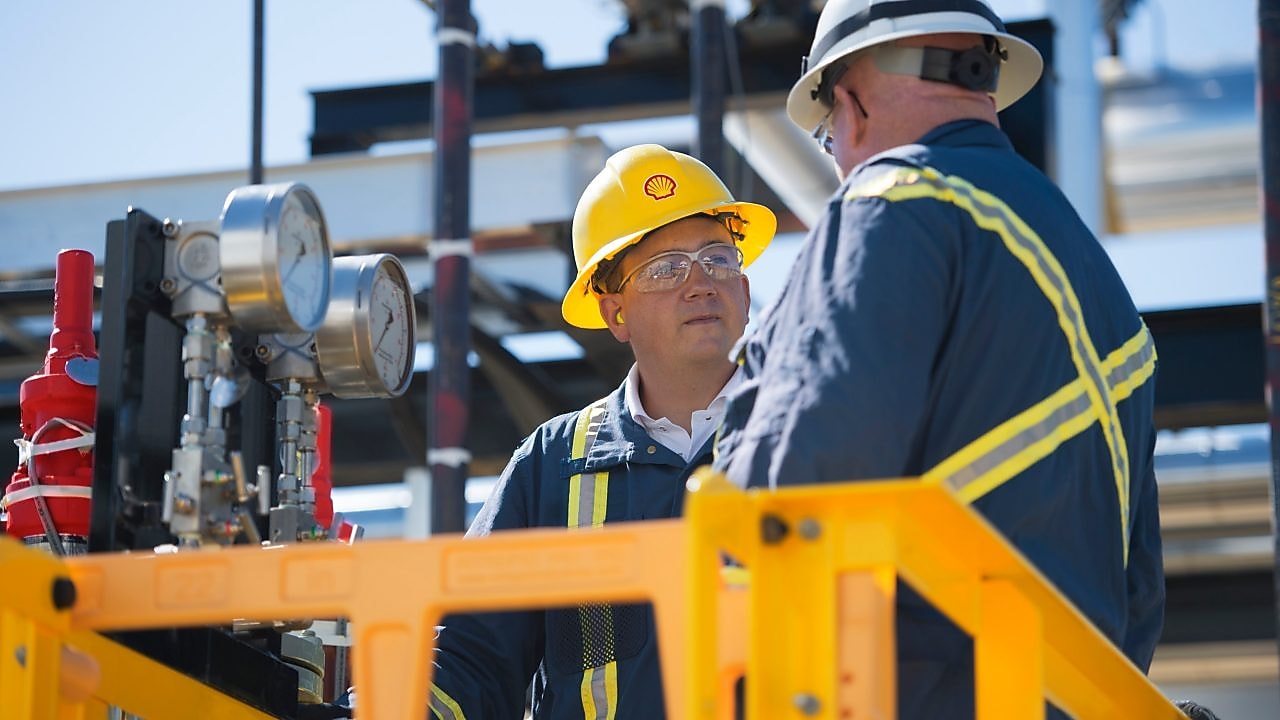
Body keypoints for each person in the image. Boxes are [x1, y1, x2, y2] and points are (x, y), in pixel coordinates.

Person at [713, 1, 1164, 718]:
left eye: (828, 137)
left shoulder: (890, 204)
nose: (839, 157)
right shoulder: (1098, 283)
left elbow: (795, 491)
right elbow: (1137, 590)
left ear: (850, 106)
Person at [428, 143, 776, 719]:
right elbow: (469, 657)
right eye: (665, 269)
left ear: (743, 288)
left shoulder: (805, 429)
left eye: (718, 259)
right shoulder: (552, 465)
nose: (700, 283)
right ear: (615, 314)